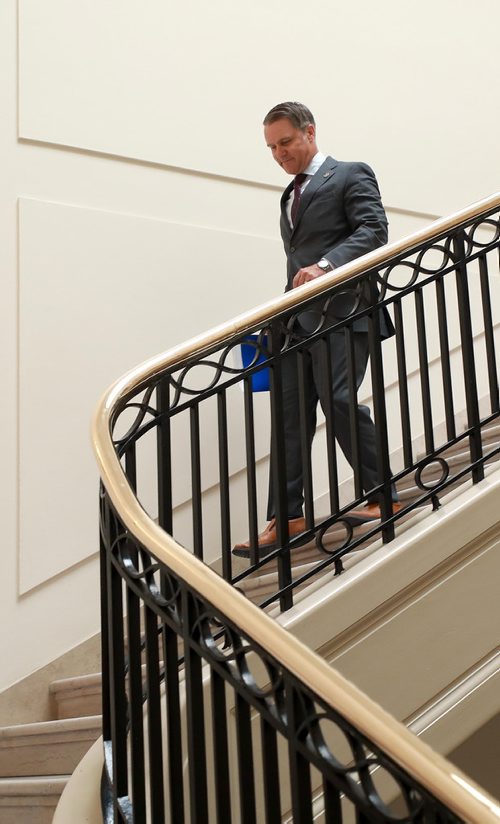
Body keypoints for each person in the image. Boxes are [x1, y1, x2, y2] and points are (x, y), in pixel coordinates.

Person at [233, 101, 400, 559]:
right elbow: (295, 263)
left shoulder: (349, 174)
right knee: (289, 419)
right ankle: (287, 518)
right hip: (295, 324)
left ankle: (381, 494)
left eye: (285, 142)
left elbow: (374, 228)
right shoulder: (287, 196)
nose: (279, 154)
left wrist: (326, 266)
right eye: (271, 147)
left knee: (340, 399)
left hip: (345, 310)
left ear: (310, 132)